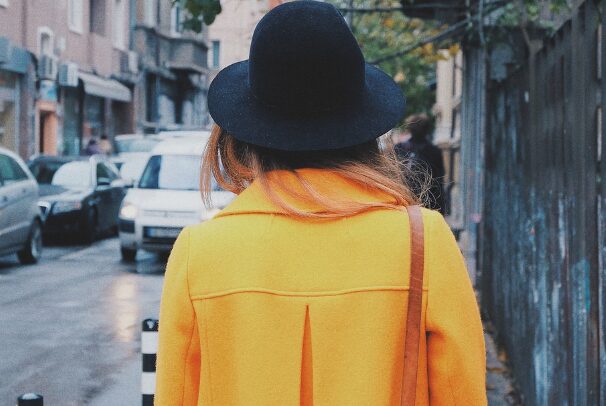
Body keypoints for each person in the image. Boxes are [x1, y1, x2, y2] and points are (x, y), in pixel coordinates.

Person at [155, 2, 486, 405]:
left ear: (246, 131)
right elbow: (461, 394)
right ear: (363, 123)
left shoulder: (199, 254)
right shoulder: (423, 243)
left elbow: (177, 396)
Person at [394, 114, 446, 213]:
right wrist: (441, 208)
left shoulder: (399, 148)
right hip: (429, 200)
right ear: (427, 129)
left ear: (410, 129)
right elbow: (439, 179)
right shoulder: (434, 151)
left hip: (405, 200)